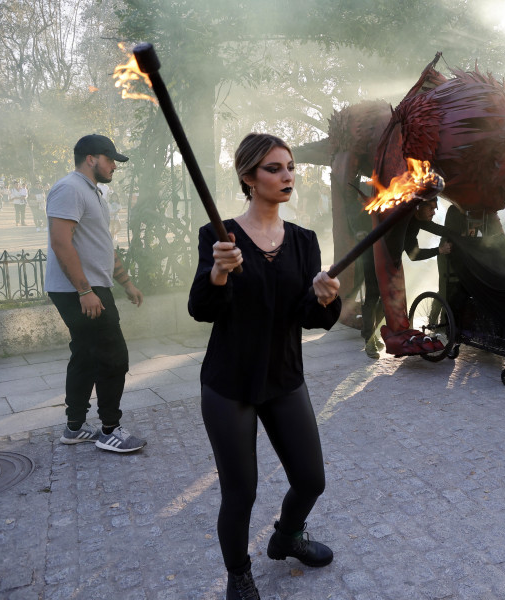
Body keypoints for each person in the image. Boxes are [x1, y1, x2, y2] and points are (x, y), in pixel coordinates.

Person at [188, 133, 341, 600]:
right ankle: (238, 575)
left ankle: (287, 536)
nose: (287, 175)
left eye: (290, 166)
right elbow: (200, 308)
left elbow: (310, 318)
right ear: (248, 178)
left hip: (284, 377)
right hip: (229, 382)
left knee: (311, 479)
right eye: (274, 168)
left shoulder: (303, 241)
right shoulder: (220, 237)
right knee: (241, 493)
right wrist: (217, 273)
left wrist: (326, 300)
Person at [45, 134, 147, 452]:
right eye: (110, 158)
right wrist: (85, 290)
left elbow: (104, 245)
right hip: (81, 290)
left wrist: (126, 282)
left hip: (91, 288)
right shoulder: (69, 188)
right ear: (91, 158)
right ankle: (109, 430)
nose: (114, 165)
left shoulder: (95, 194)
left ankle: (75, 427)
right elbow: (60, 241)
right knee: (113, 357)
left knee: (86, 356)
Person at [361, 198, 451, 358]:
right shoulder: (404, 215)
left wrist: (455, 238)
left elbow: (414, 254)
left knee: (386, 301)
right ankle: (369, 340)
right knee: (372, 297)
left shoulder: (418, 220)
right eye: (431, 208)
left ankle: (372, 333)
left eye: (435, 208)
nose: (434, 212)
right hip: (374, 255)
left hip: (392, 262)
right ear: (419, 207)